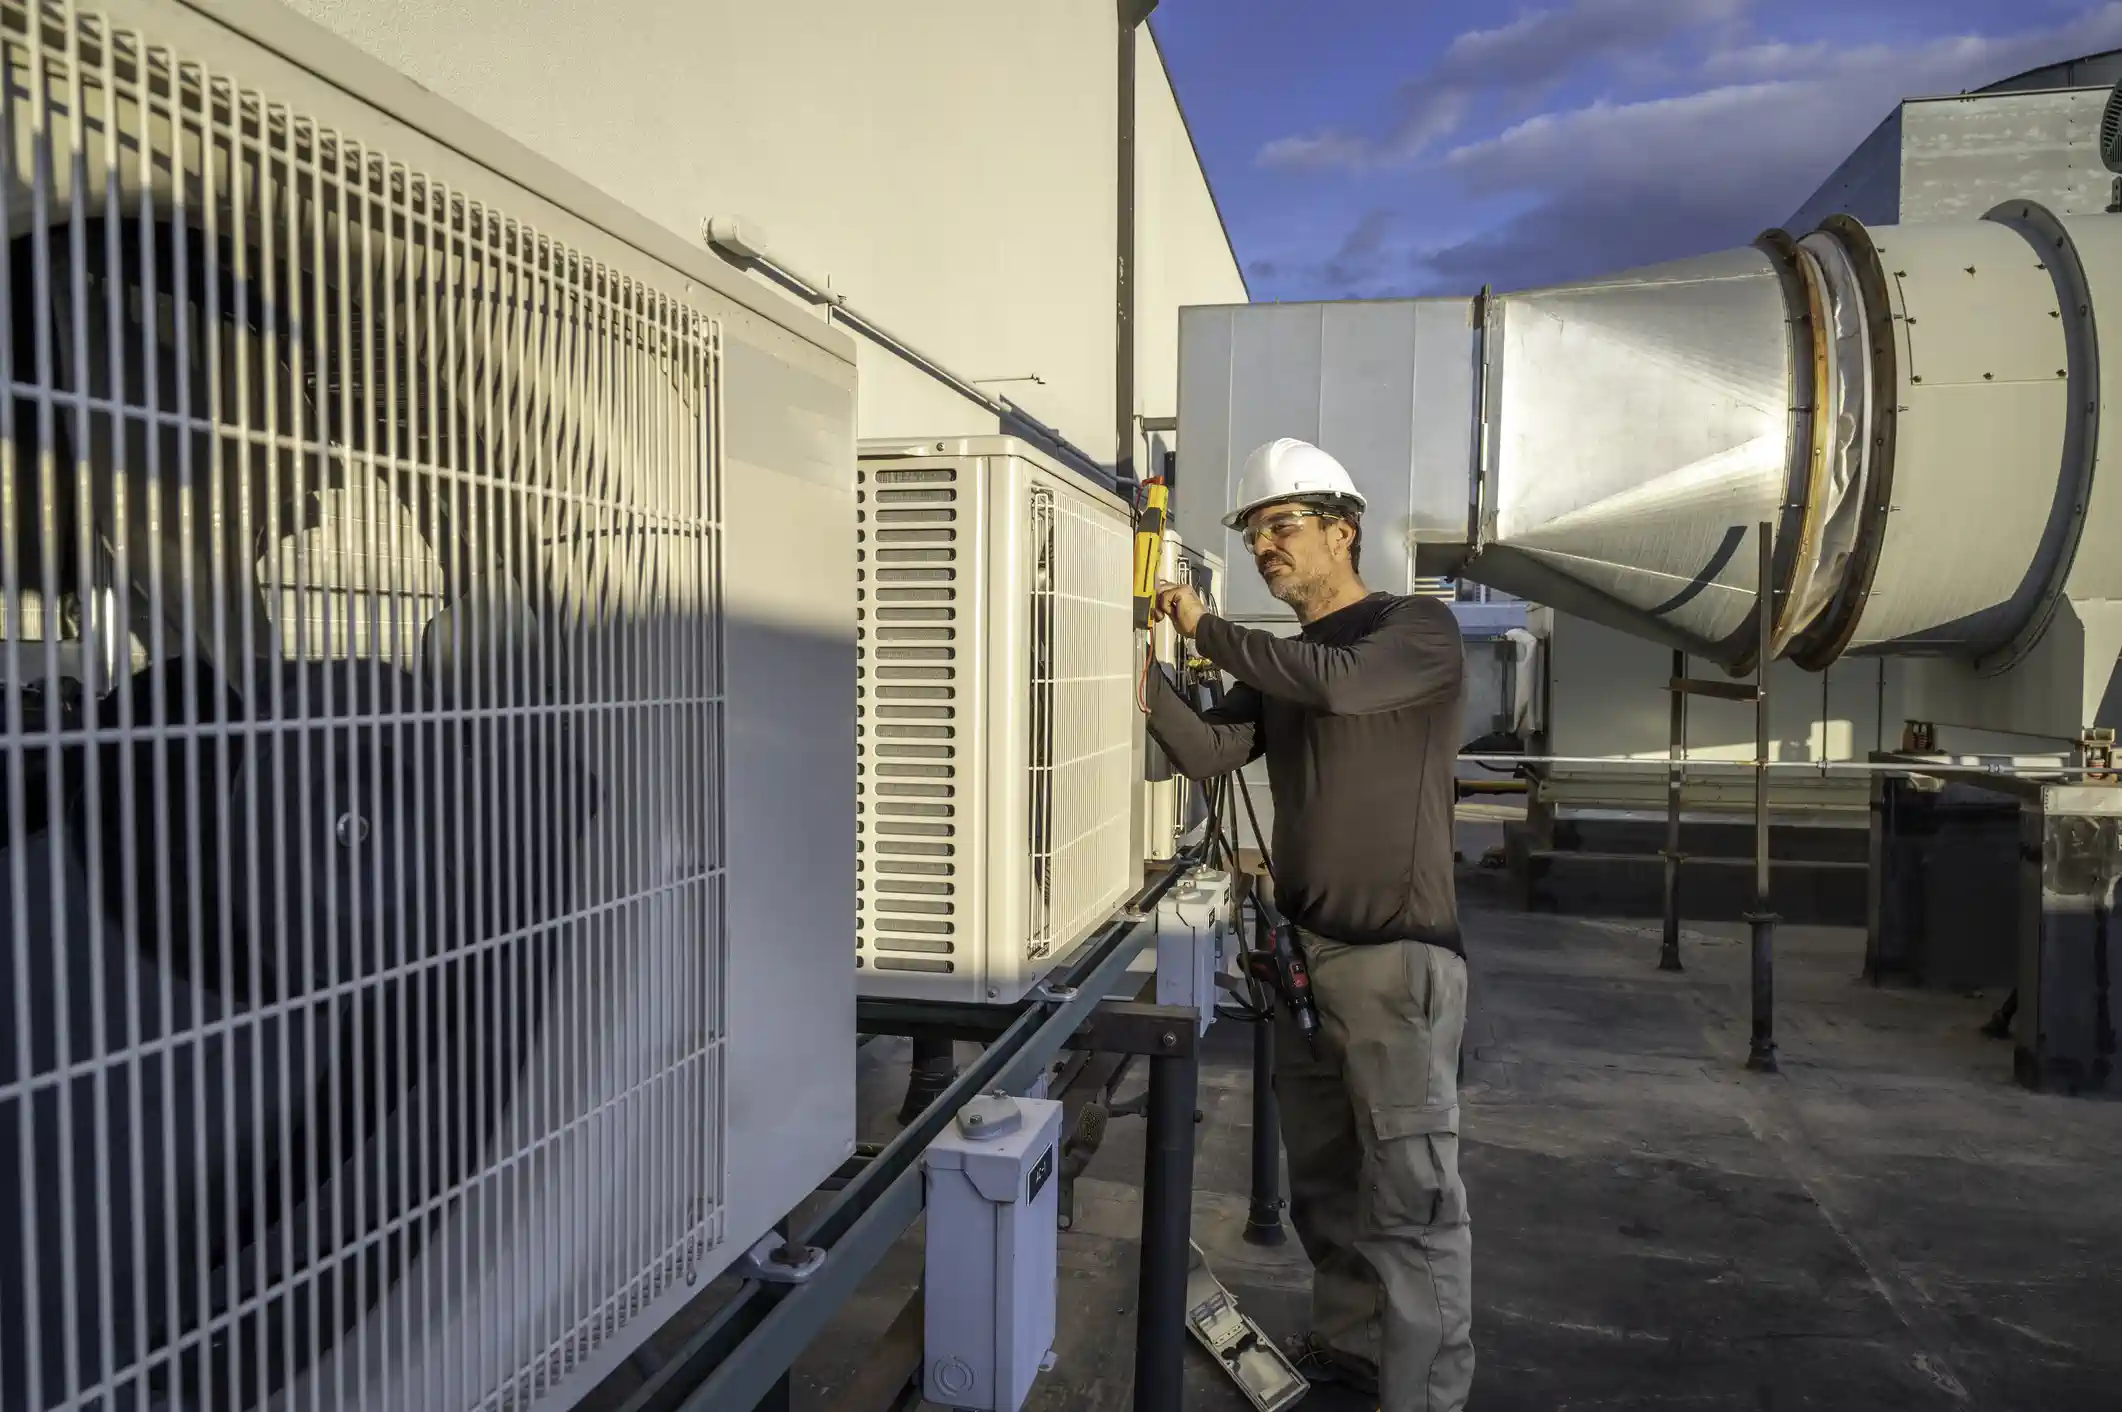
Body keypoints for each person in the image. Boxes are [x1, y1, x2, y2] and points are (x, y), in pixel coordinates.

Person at [1146, 437, 1472, 1412]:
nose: (1266, 547)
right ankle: (1351, 1348)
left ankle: (1425, 1392)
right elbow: (1208, 751)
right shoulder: (1282, 668)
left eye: (1282, 526)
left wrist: (1205, 626)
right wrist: (1132, 663)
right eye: (1254, 533)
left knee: (1409, 1197)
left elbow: (1336, 685)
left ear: (1344, 529)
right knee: (1326, 1184)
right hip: (1303, 958)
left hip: (1394, 962)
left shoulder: (1412, 631)